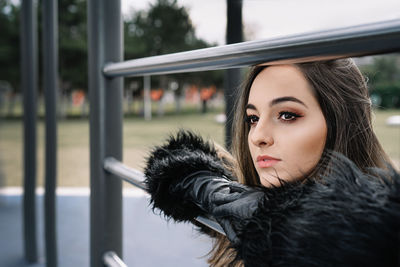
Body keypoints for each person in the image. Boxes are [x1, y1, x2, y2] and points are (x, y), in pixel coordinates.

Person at [144, 59, 400, 267]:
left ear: (341, 125)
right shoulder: (236, 209)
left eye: (287, 115)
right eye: (253, 118)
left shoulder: (379, 242)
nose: (257, 137)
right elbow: (171, 165)